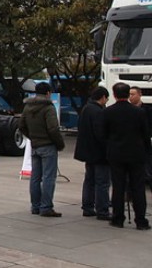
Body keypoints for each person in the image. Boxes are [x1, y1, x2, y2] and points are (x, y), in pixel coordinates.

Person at [103, 82, 151, 229]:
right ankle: (141, 221)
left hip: (116, 154)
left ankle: (118, 219)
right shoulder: (139, 112)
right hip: (136, 154)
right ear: (127, 94)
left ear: (114, 94)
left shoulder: (108, 112)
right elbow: (146, 134)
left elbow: (104, 134)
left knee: (118, 187)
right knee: (138, 187)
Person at [19, 81, 66, 217]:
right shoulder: (48, 107)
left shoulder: (28, 106)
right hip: (48, 146)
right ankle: (46, 207)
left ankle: (35, 206)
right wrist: (59, 144)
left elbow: (21, 125)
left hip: (35, 145)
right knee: (48, 178)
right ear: (48, 93)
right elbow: (53, 129)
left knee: (35, 177)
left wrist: (32, 137)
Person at [74, 87, 111, 220]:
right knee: (102, 182)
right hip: (99, 153)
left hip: (87, 152)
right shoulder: (98, 111)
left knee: (89, 180)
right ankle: (102, 210)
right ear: (103, 97)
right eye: (106, 98)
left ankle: (88, 207)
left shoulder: (86, 109)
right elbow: (101, 133)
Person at [129, 86, 152, 192]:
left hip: (144, 145)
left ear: (140, 94)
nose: (130, 97)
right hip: (130, 147)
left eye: (133, 94)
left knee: (148, 171)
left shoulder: (147, 110)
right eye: (129, 94)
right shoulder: (127, 110)